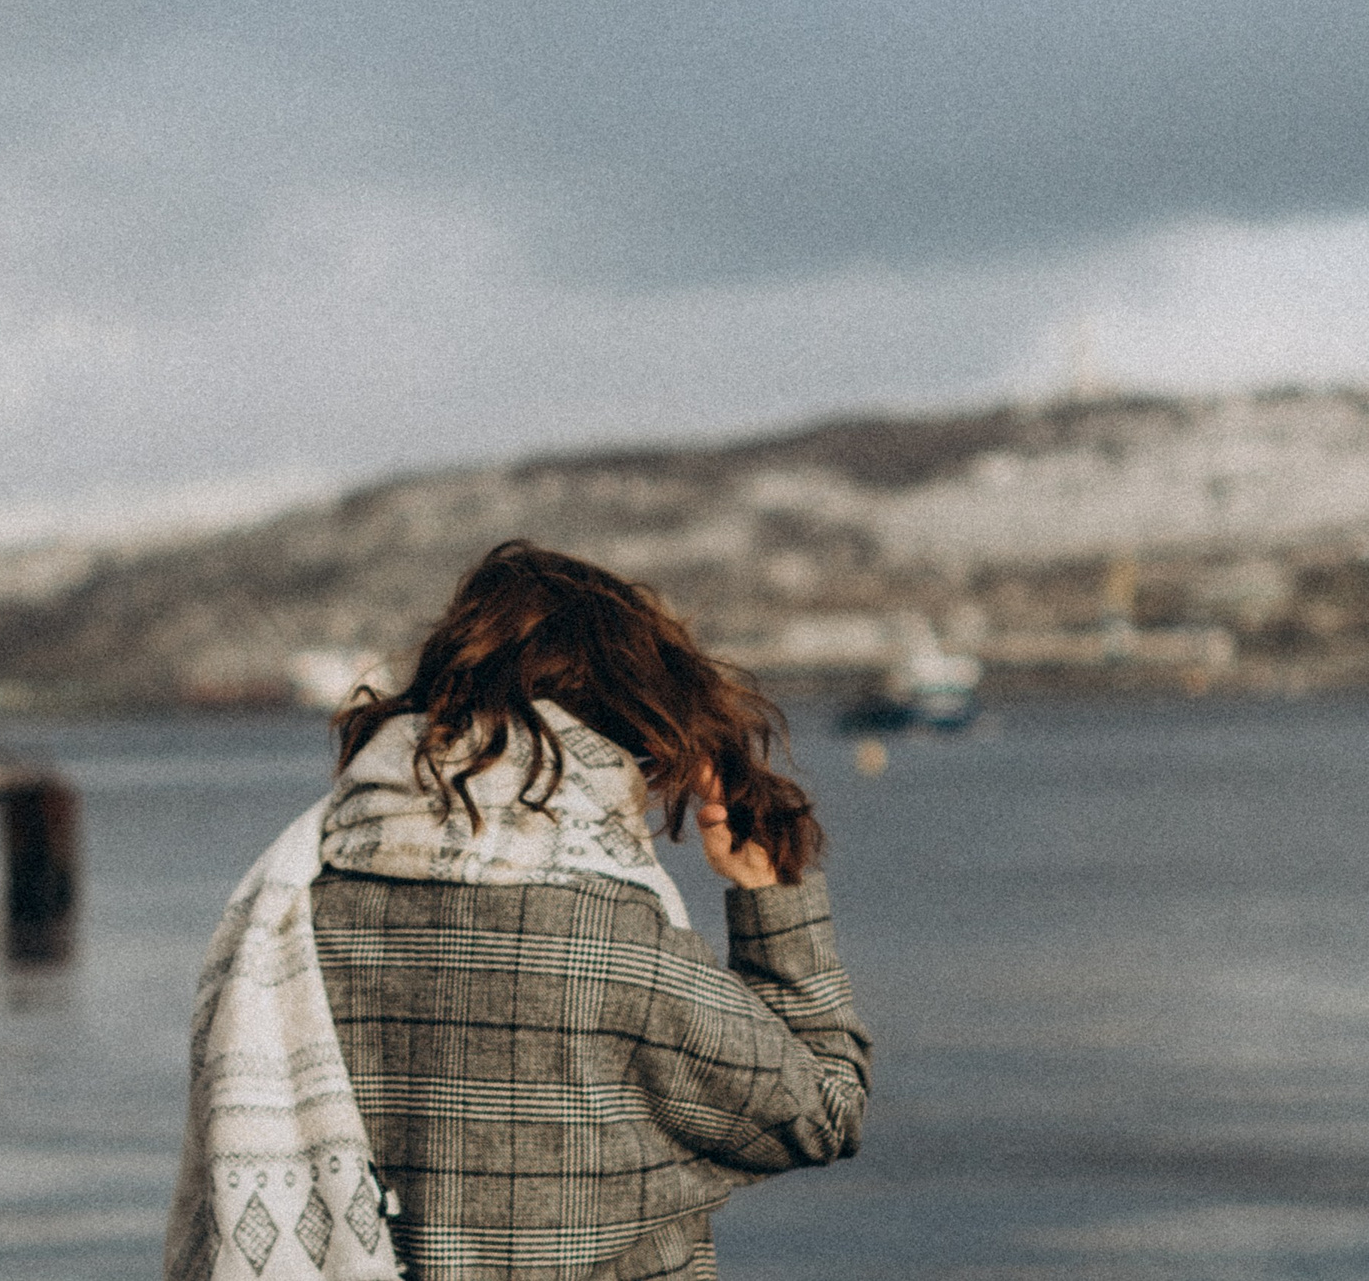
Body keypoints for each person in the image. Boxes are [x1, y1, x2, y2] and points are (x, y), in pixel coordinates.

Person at [167, 543, 868, 1281]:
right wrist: (768, 894)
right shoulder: (614, 940)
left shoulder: (295, 902)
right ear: (630, 716)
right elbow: (825, 1108)